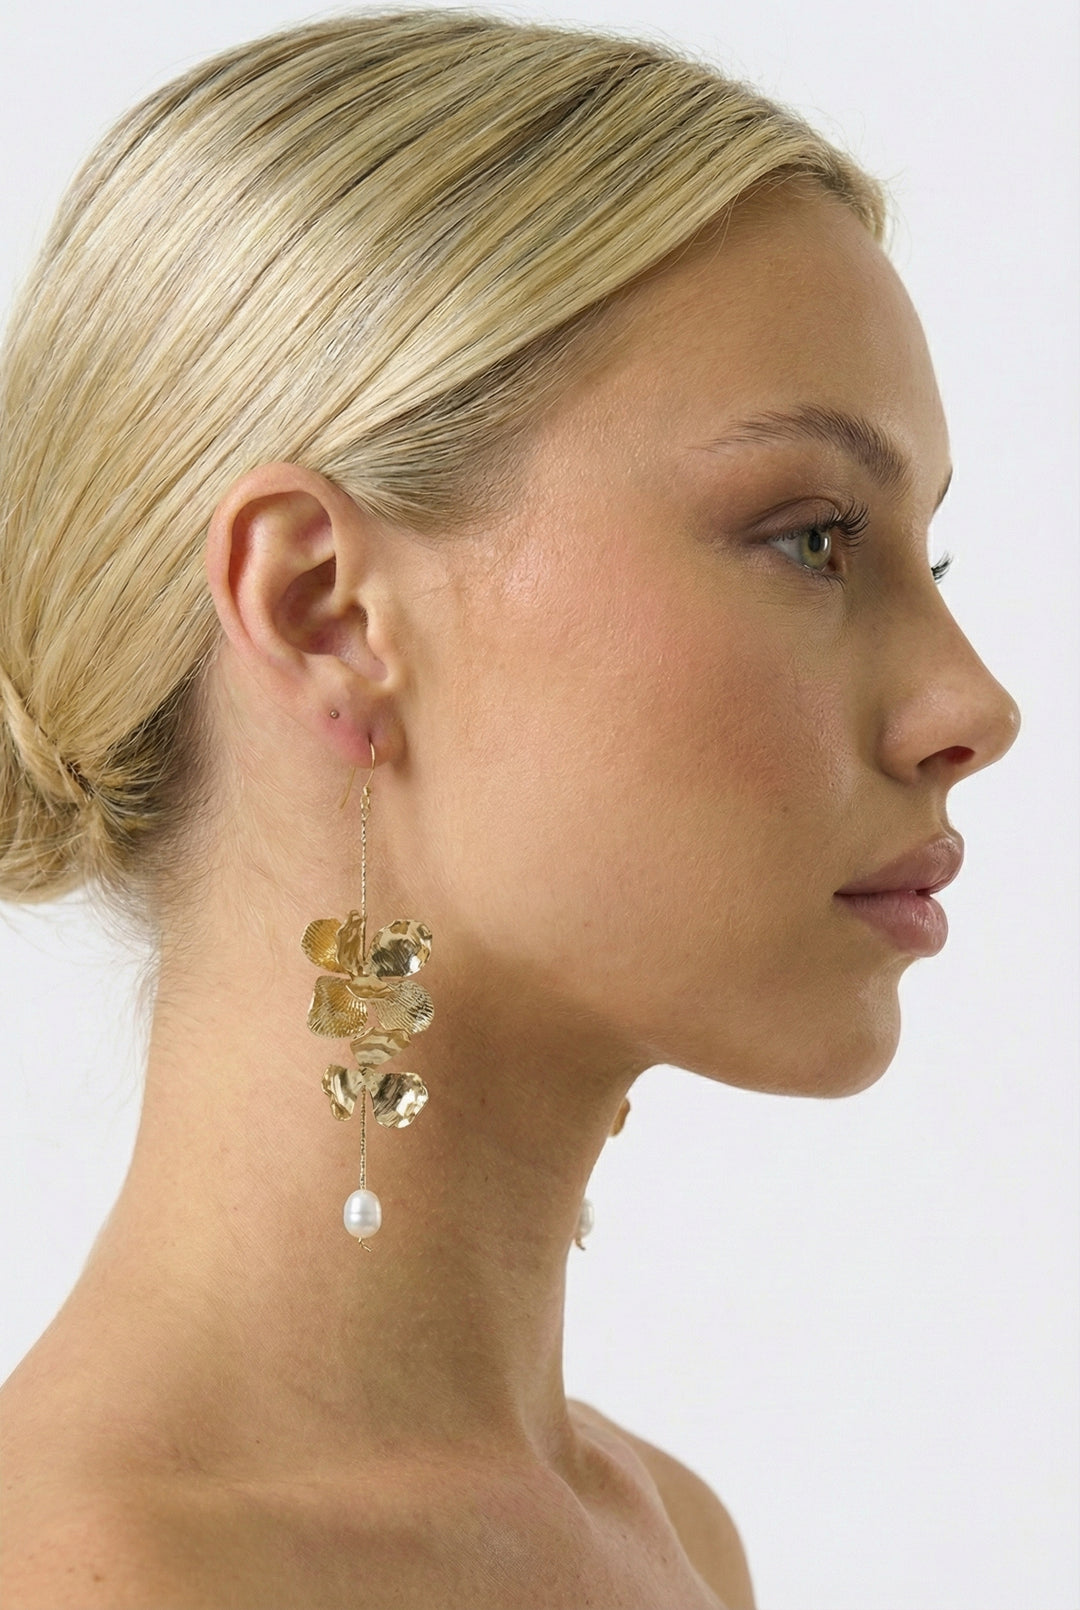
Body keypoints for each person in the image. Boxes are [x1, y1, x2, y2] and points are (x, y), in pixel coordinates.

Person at [0, 9, 1020, 1608]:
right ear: (327, 608)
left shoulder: (670, 1537)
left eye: (927, 560)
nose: (973, 706)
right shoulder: (97, 1581)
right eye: (814, 536)